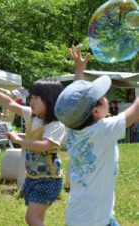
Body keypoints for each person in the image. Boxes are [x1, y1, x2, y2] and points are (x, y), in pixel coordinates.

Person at [54, 48, 139, 226]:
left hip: (82, 215)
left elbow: (75, 103)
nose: (106, 96)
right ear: (95, 110)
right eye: (103, 96)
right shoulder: (103, 130)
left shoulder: (73, 128)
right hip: (94, 220)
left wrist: (80, 70)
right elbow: (136, 110)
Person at [0, 79, 65, 226]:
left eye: (37, 98)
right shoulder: (31, 115)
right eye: (32, 97)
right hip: (33, 177)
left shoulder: (55, 124)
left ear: (50, 100)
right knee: (37, 218)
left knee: (31, 218)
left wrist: (19, 140)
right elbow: (9, 103)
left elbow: (44, 145)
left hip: (49, 179)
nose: (32, 101)